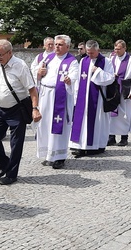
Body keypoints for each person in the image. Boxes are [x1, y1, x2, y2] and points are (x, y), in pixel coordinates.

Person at [0, 39, 40, 185]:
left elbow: (32, 90)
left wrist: (35, 109)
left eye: (1, 54)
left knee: (16, 143)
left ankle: (11, 174)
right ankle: (4, 165)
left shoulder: (20, 66)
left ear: (10, 52)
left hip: (17, 109)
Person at [35, 35, 79, 168]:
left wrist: (69, 79)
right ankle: (49, 154)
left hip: (60, 96)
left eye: (60, 45)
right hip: (45, 95)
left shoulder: (72, 61)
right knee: (46, 124)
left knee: (59, 125)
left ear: (67, 46)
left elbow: (74, 74)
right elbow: (37, 73)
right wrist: (39, 73)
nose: (56, 47)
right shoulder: (48, 58)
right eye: (55, 44)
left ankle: (59, 156)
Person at [70, 40, 115, 157]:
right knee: (82, 121)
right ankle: (80, 146)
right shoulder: (83, 61)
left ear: (98, 50)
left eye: (92, 53)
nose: (90, 55)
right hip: (82, 97)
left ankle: (96, 146)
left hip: (98, 99)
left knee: (97, 122)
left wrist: (98, 71)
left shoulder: (106, 62)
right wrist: (76, 97)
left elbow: (111, 78)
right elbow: (79, 80)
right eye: (88, 52)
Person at [108, 39, 131, 146]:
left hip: (125, 90)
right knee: (112, 113)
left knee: (124, 114)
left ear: (124, 48)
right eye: (115, 49)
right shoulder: (111, 58)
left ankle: (124, 137)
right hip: (113, 90)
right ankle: (111, 137)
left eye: (119, 49)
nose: (116, 51)